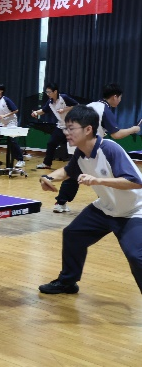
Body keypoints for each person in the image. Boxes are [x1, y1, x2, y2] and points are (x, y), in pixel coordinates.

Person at [37, 105, 142, 296]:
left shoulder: (109, 149)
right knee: (73, 234)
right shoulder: (80, 152)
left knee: (136, 256)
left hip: (134, 211)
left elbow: (135, 182)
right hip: (105, 209)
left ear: (88, 129)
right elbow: (68, 171)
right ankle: (67, 282)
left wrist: (98, 180)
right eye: (66, 128)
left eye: (71, 128)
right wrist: (49, 177)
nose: (66, 132)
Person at [53, 83, 141, 213]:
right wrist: (134, 129)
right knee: (97, 175)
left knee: (73, 175)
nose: (120, 101)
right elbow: (116, 134)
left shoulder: (91, 105)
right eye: (120, 98)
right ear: (115, 97)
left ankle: (60, 203)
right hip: (90, 148)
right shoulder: (105, 110)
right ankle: (107, 206)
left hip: (78, 145)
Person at [31, 83, 79, 169]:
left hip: (72, 126)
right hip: (61, 126)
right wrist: (36, 113)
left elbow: (77, 105)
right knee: (51, 143)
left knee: (73, 147)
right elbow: (43, 110)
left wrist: (64, 109)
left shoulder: (64, 97)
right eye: (47, 92)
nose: (48, 94)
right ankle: (47, 164)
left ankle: (76, 166)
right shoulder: (50, 102)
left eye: (49, 92)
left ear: (55, 91)